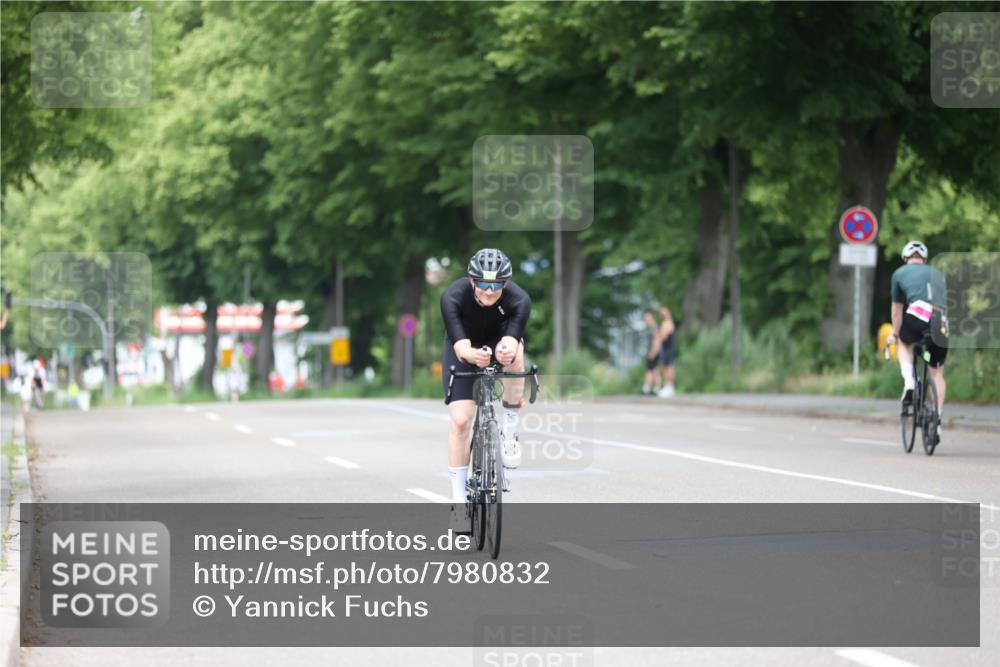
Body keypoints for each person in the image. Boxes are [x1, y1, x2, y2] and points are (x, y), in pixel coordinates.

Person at [440, 248, 532, 533]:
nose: (490, 291)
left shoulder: (519, 299)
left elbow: (512, 339)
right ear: (472, 280)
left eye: (496, 285)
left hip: (498, 341)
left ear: (506, 283)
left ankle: (510, 434)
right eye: (483, 284)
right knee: (461, 420)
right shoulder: (452, 297)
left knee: (516, 356)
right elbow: (461, 347)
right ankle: (459, 504)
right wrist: (471, 355)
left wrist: (506, 348)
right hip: (463, 346)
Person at [886, 240, 949, 436]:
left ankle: (910, 383)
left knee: (904, 342)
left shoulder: (899, 273)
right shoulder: (938, 274)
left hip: (917, 316)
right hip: (939, 322)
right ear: (925, 260)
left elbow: (896, 311)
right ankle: (937, 421)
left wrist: (894, 334)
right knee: (936, 373)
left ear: (906, 259)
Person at [656, 305, 677, 398]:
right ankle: (668, 386)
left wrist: (659, 336)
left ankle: (670, 387)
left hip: (668, 348)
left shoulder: (668, 323)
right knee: (665, 367)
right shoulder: (665, 323)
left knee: (668, 367)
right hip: (665, 348)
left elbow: (663, 337)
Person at [640, 310, 661, 395]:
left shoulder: (654, 328)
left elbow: (657, 341)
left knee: (654, 370)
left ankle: (656, 388)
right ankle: (647, 388)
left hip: (654, 352)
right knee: (650, 370)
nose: (646, 319)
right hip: (651, 352)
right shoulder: (651, 328)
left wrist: (653, 352)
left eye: (647, 317)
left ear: (652, 317)